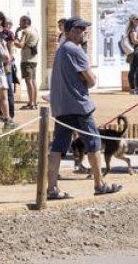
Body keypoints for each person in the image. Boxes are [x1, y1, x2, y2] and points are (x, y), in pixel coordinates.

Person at [45, 17, 121, 199]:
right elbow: (92, 80)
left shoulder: (61, 50)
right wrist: (86, 79)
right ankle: (100, 184)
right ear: (71, 31)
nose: (84, 32)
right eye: (81, 29)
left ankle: (52, 188)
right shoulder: (75, 50)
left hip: (61, 107)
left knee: (58, 147)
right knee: (93, 144)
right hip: (78, 106)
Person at [15, 16, 40, 109]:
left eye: (20, 22)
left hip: (27, 59)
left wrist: (13, 39)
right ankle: (34, 101)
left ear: (25, 22)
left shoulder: (26, 32)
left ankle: (31, 103)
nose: (19, 24)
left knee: (28, 81)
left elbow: (20, 45)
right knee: (33, 81)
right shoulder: (35, 30)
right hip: (34, 59)